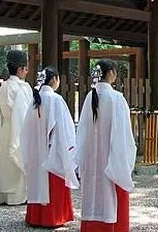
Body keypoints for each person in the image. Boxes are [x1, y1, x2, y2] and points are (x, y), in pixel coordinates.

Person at [74, 59, 137, 232]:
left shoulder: (90, 97)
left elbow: (82, 133)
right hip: (111, 159)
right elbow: (123, 135)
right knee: (111, 196)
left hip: (92, 158)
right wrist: (125, 161)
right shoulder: (116, 98)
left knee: (93, 196)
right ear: (111, 74)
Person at [21, 66, 79, 228]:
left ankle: (35, 217)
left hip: (36, 151)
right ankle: (53, 217)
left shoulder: (35, 100)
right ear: (54, 79)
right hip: (52, 151)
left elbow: (26, 130)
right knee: (52, 186)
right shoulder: (55, 99)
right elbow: (64, 129)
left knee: (37, 184)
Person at [0, 50, 33, 205]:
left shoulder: (4, 87)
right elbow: (25, 114)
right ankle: (18, 196)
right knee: (17, 159)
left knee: (6, 161)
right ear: (20, 69)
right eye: (25, 67)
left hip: (5, 128)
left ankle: (3, 194)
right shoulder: (22, 88)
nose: (27, 71)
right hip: (18, 128)